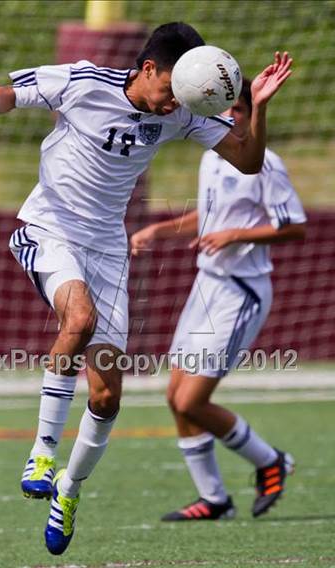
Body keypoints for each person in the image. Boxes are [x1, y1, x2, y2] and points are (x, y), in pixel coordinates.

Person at [0, 21, 292, 555]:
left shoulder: (184, 111)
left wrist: (257, 105)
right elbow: (22, 90)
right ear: (148, 69)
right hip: (49, 228)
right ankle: (43, 452)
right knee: (79, 321)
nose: (173, 105)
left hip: (107, 249)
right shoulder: (85, 81)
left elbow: (249, 160)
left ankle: (69, 491)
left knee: (106, 394)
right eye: (169, 91)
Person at [130, 77, 306, 522]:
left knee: (192, 401)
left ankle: (271, 460)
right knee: (174, 395)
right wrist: (159, 229)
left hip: (240, 293)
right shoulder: (214, 156)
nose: (230, 118)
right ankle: (214, 499)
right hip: (205, 287)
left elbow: (294, 226)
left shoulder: (266, 164)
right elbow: (209, 219)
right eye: (224, 111)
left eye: (239, 110)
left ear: (251, 113)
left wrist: (236, 235)